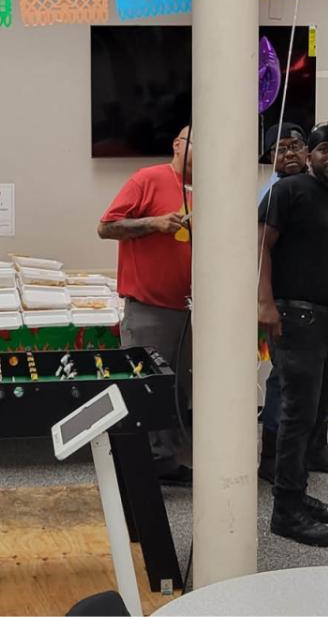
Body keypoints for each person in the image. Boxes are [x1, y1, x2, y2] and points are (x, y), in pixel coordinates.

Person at [257, 123, 328, 546]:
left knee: (317, 413)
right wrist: (264, 303)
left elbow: (325, 259)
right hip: (295, 317)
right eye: (325, 150)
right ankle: (285, 510)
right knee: (297, 418)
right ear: (311, 155)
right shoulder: (290, 190)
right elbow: (261, 244)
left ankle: (299, 494)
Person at [99, 125, 193, 487]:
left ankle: (165, 461)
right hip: (149, 308)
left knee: (175, 389)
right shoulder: (149, 178)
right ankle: (138, 472)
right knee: (144, 388)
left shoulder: (206, 190)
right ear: (177, 144)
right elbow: (105, 227)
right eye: (196, 142)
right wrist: (153, 223)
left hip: (188, 309)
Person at [257, 123, 308, 204]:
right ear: (270, 157)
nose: (289, 153)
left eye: (295, 146)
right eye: (281, 149)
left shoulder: (320, 184)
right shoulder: (269, 195)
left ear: (306, 150)